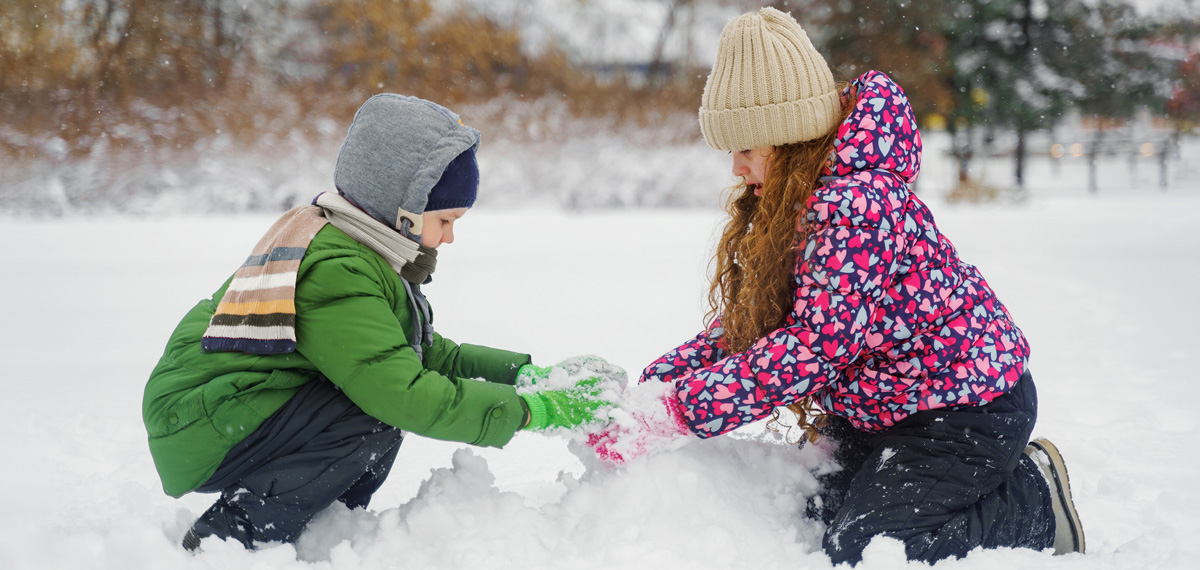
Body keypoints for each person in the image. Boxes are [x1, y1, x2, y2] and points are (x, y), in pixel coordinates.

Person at [598, 8, 1085, 565]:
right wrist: (658, 388)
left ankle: (1032, 499)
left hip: (965, 410)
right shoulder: (800, 204)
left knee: (868, 549)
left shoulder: (858, 209)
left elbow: (813, 347)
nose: (736, 168)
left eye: (747, 150)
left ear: (788, 141)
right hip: (884, 408)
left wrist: (681, 410)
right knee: (805, 512)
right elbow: (754, 332)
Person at [142, 94, 612, 551]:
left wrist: (524, 376)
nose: (450, 238)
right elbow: (404, 393)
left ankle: (323, 524)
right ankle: (230, 539)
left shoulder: (357, 245)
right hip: (202, 423)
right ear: (403, 211)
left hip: (233, 409)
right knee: (376, 404)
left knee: (374, 394)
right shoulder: (336, 268)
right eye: (445, 220)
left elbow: (421, 353)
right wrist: (533, 410)